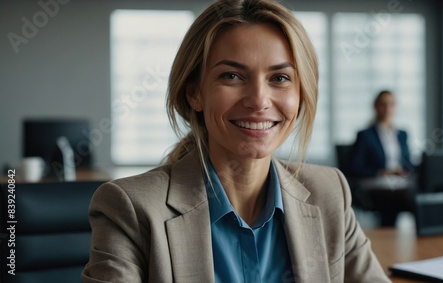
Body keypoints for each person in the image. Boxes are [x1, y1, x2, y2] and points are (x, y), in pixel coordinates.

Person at [82, 0, 391, 282]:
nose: (258, 100)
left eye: (280, 78)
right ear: (195, 93)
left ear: (301, 95)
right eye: (232, 76)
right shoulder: (130, 208)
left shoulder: (329, 194)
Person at [349, 90, 414, 226]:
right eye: (383, 104)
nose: (387, 108)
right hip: (376, 182)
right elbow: (355, 167)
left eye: (391, 104)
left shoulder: (402, 134)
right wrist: (383, 172)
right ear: (376, 107)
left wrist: (404, 170)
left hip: (400, 182)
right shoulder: (365, 135)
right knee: (393, 198)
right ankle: (388, 232)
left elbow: (408, 163)